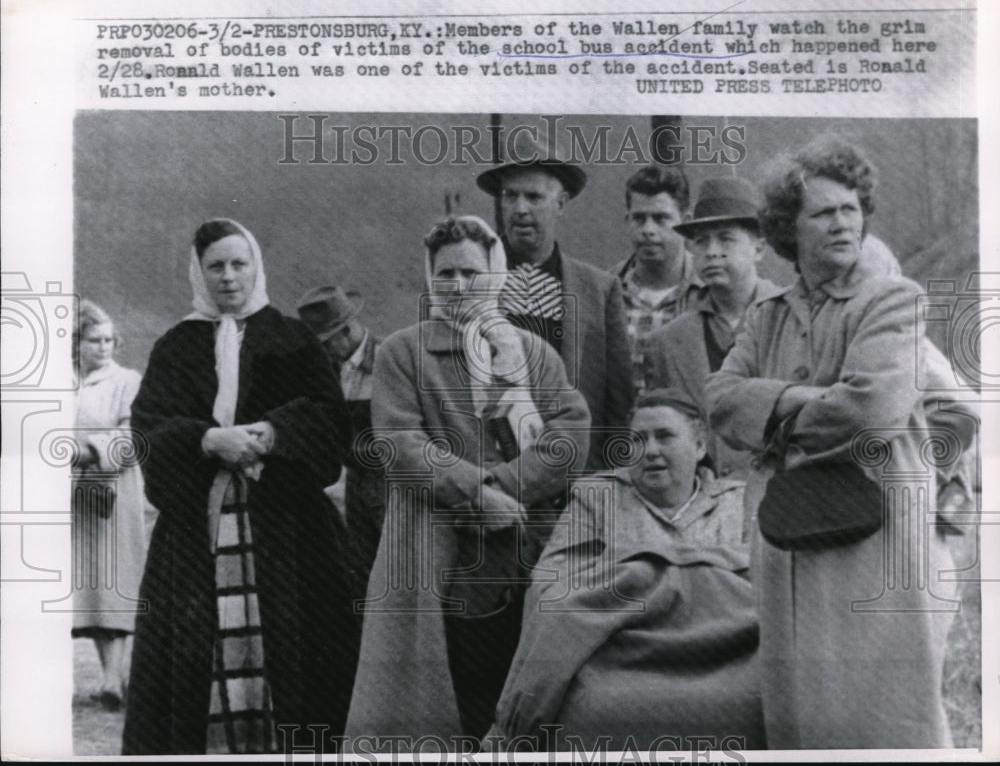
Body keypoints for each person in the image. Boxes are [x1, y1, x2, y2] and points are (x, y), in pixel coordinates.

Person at [704, 139, 966, 748]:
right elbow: (719, 398)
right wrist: (810, 400)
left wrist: (772, 408)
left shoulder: (893, 300)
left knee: (883, 718)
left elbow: (870, 409)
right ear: (787, 230)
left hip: (874, 537)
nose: (844, 221)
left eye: (851, 208)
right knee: (799, 716)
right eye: (824, 212)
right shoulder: (766, 317)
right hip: (788, 540)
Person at [345, 215, 590, 745]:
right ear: (430, 278)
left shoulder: (532, 353)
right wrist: (477, 494)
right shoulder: (403, 354)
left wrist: (502, 488)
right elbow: (400, 443)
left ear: (496, 275)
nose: (458, 286)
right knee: (458, 691)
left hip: (529, 545)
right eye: (446, 273)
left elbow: (569, 435)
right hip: (443, 552)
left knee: (534, 691)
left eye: (471, 273)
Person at [122, 218, 360, 755]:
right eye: (216, 267)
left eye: (238, 264)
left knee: (299, 657)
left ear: (255, 266)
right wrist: (206, 440)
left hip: (292, 535)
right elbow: (148, 427)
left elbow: (330, 421)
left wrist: (275, 433)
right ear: (199, 272)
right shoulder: (176, 346)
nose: (228, 278)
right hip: (196, 535)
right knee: (198, 652)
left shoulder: (292, 338)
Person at [487, 389, 764, 751]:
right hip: (618, 659)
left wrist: (636, 576)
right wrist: (701, 574)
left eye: (664, 436)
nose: (648, 450)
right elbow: (550, 587)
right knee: (595, 709)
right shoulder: (597, 498)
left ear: (699, 447)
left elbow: (765, 589)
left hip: (724, 657)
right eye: (637, 439)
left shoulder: (739, 502)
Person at [477, 130, 632, 470]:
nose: (519, 209)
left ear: (560, 204)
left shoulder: (599, 289)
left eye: (534, 197)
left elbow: (619, 403)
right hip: (493, 476)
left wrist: (609, 478)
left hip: (576, 476)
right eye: (510, 196)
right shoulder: (471, 282)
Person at [644, 177, 780, 479]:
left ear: (758, 249)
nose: (712, 251)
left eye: (726, 238)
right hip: (705, 502)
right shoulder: (667, 342)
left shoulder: (790, 320)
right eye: (701, 241)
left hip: (780, 499)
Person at [71, 300, 147, 710]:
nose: (104, 347)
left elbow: (132, 436)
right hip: (67, 498)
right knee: (80, 588)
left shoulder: (127, 381)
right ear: (76, 343)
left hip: (111, 493)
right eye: (94, 340)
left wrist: (86, 452)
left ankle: (113, 679)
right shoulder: (60, 382)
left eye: (109, 340)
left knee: (111, 584)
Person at [297, 284, 384, 581]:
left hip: (395, 491)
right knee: (361, 576)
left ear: (346, 331)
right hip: (355, 491)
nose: (322, 354)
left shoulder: (391, 363)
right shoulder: (329, 371)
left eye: (325, 344)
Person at [608, 165, 703, 395]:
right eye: (639, 218)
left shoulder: (709, 292)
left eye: (661, 218)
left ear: (685, 221)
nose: (648, 230)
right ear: (627, 220)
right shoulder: (606, 289)